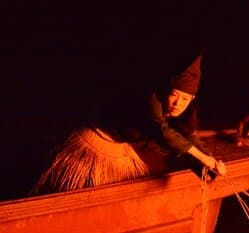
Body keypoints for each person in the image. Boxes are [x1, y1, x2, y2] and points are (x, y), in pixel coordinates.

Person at [34, 54, 226, 195]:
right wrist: (200, 156)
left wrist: (209, 162)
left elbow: (189, 135)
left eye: (186, 99)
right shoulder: (150, 99)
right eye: (174, 96)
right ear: (165, 90)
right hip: (101, 138)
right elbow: (161, 131)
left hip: (132, 144)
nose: (178, 104)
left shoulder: (187, 111)